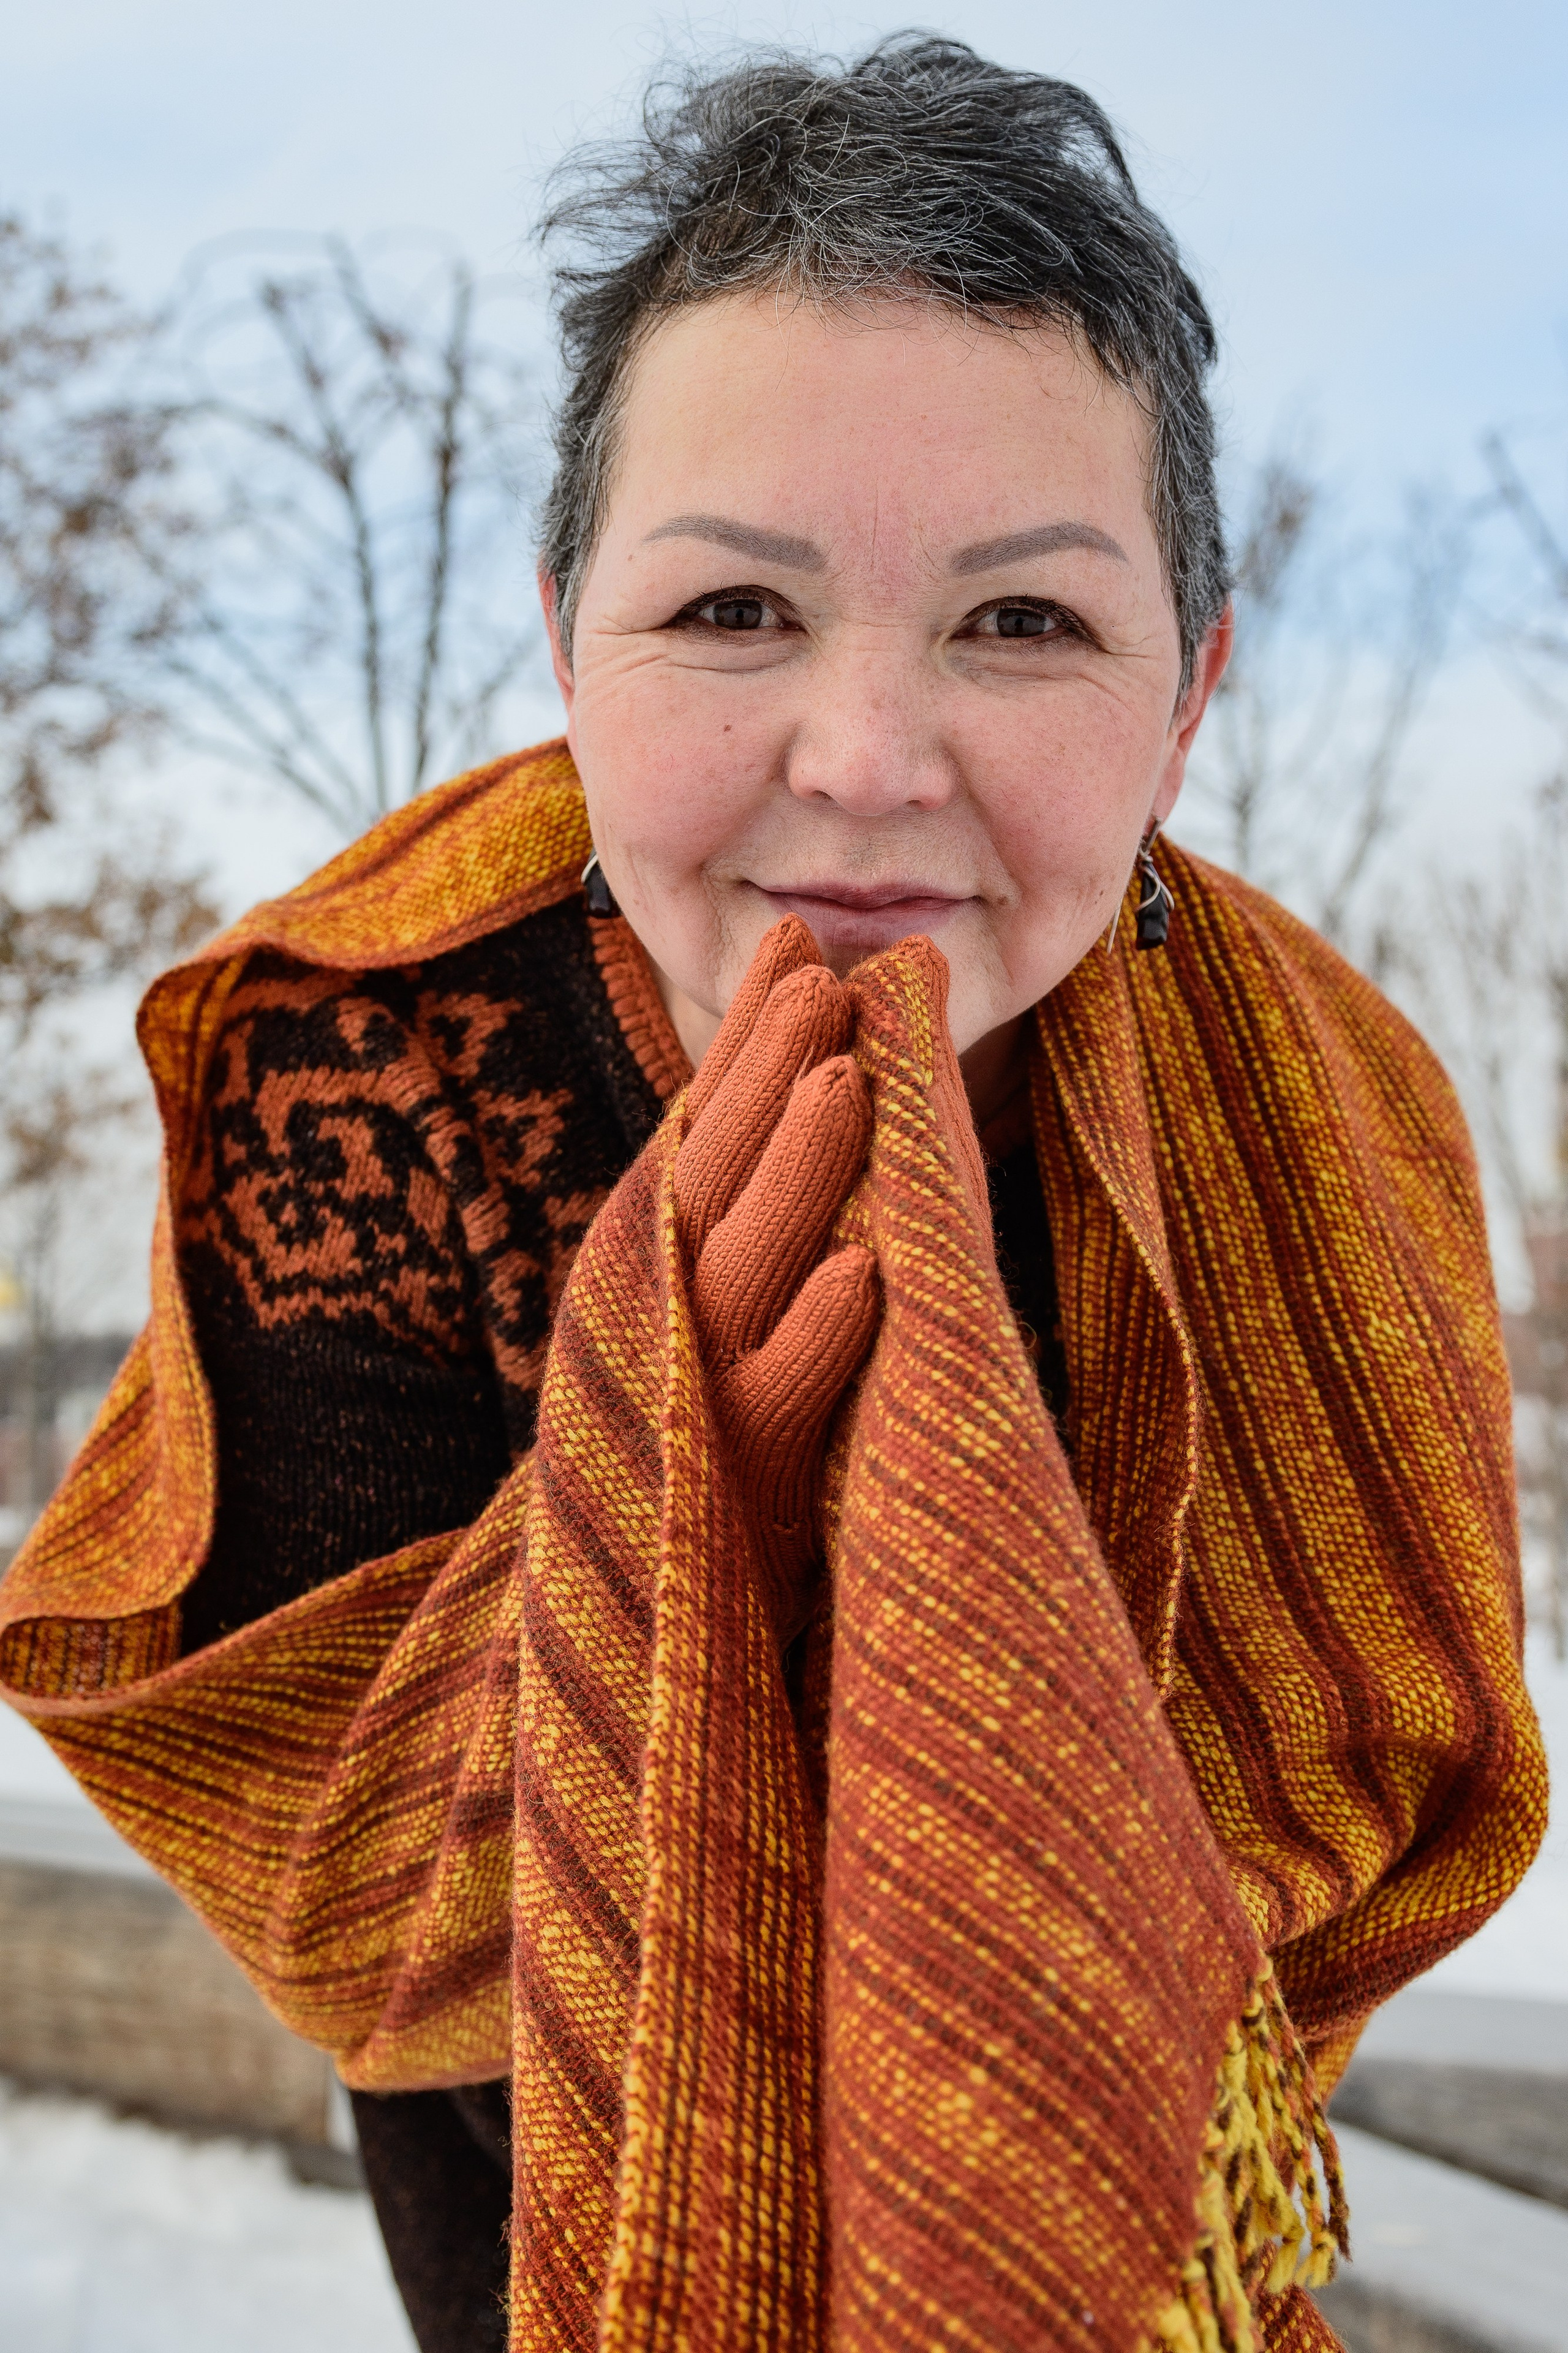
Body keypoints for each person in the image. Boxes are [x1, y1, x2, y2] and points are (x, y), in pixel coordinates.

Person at [0, 36, 1546, 2353]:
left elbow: (1396, 1765)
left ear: (1191, 691)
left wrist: (1008, 1820)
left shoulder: (1331, 1116)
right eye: (734, 612)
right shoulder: (369, 1062)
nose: (864, 761)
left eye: (1025, 623)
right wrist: (659, 1493)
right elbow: (328, 1878)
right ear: (565, 639)